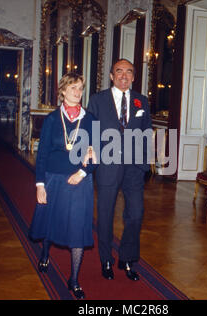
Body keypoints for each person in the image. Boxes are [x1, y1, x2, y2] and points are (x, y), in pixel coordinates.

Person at [28, 72, 97, 299]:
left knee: (77, 228)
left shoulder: (91, 120)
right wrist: (40, 185)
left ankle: (74, 279)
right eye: (73, 88)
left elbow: (96, 154)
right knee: (51, 222)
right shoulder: (50, 120)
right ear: (63, 91)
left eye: (80, 88)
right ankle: (46, 252)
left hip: (80, 182)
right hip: (53, 179)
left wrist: (82, 172)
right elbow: (43, 154)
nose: (77, 93)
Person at [87, 59, 152, 282]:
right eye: (119, 71)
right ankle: (106, 259)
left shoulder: (141, 101)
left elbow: (146, 133)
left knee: (136, 214)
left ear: (134, 77)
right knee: (105, 214)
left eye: (129, 72)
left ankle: (127, 258)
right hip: (107, 164)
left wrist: (146, 164)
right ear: (112, 76)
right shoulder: (97, 100)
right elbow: (91, 131)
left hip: (134, 168)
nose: (124, 76)